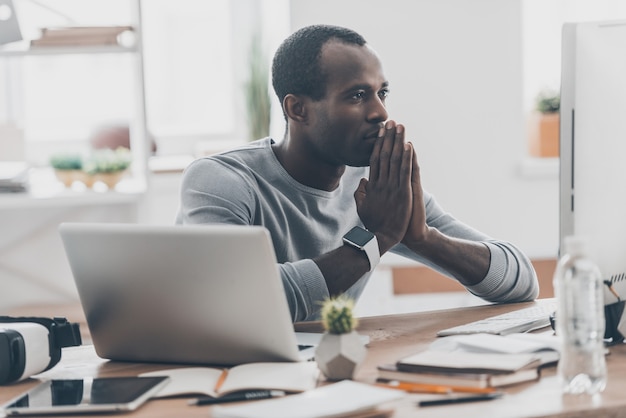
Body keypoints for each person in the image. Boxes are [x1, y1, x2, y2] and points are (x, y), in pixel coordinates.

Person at [175, 24, 539, 322]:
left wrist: (424, 237)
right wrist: (375, 239)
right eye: (357, 96)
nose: (380, 111)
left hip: (324, 379)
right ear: (298, 108)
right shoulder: (221, 181)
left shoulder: (375, 184)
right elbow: (236, 305)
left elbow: (522, 281)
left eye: (382, 93)